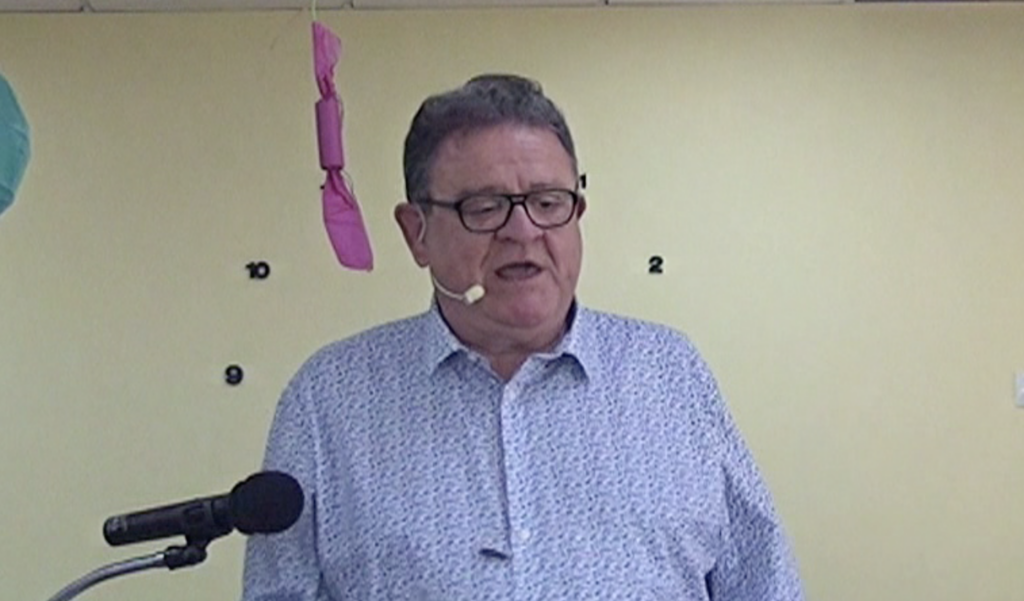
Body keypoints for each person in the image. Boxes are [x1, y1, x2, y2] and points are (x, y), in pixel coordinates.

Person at [241, 74, 805, 600]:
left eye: (547, 202)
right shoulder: (329, 399)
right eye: (484, 208)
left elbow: (764, 582)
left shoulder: (668, 372)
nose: (523, 230)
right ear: (417, 233)